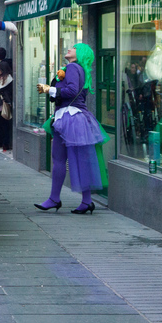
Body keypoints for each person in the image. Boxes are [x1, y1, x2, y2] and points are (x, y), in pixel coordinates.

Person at [34, 43, 107, 214]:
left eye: (74, 47)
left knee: (59, 159)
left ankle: (55, 199)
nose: (69, 48)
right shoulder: (79, 69)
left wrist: (49, 89)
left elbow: (72, 91)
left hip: (69, 117)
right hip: (75, 118)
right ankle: (85, 201)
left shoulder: (73, 67)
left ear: (79, 53)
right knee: (81, 159)